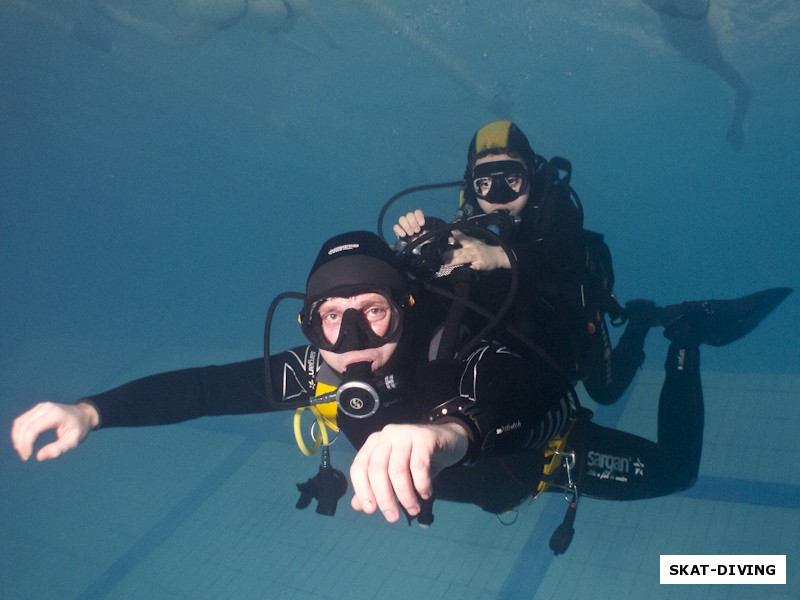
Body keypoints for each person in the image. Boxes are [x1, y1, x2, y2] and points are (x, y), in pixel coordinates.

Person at [10, 230, 790, 552]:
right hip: (493, 484)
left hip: (546, 456)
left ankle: (685, 337)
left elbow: (514, 386)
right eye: (331, 319)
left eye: (373, 313)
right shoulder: (317, 370)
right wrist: (91, 410)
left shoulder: (462, 344)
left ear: (407, 309)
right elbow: (206, 389)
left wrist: (447, 434)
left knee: (677, 472)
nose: (351, 346)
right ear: (310, 321)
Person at [394, 120, 659, 406]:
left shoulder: (553, 204)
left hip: (569, 307)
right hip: (520, 328)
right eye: (484, 183)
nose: (498, 196)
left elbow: (567, 251)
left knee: (605, 392)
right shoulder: (468, 217)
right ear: (472, 185)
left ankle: (641, 321)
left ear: (530, 175)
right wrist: (413, 253)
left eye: (511, 180)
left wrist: (500, 256)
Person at [643, 0, 751, 151]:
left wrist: (737, 124)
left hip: (686, 15)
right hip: (689, 16)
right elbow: (743, 90)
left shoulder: (707, 56)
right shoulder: (707, 56)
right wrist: (737, 124)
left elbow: (744, 90)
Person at [96, 0, 339, 51]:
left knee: (181, 41)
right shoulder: (301, 6)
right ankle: (124, 17)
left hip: (227, 19)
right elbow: (326, 34)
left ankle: (125, 19)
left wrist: (304, 52)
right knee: (184, 10)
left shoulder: (279, 25)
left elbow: (277, 38)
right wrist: (337, 46)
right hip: (235, 10)